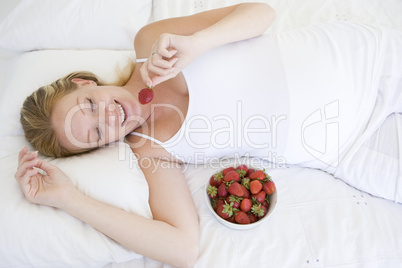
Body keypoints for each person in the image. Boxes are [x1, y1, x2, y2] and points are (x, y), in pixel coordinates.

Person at [14, 2, 402, 267]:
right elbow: (182, 248)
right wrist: (67, 199)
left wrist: (198, 44)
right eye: (97, 133)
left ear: (84, 82)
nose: (110, 117)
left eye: (90, 104)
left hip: (364, 60)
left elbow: (261, 12)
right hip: (351, 145)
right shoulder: (152, 150)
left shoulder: (150, 43)